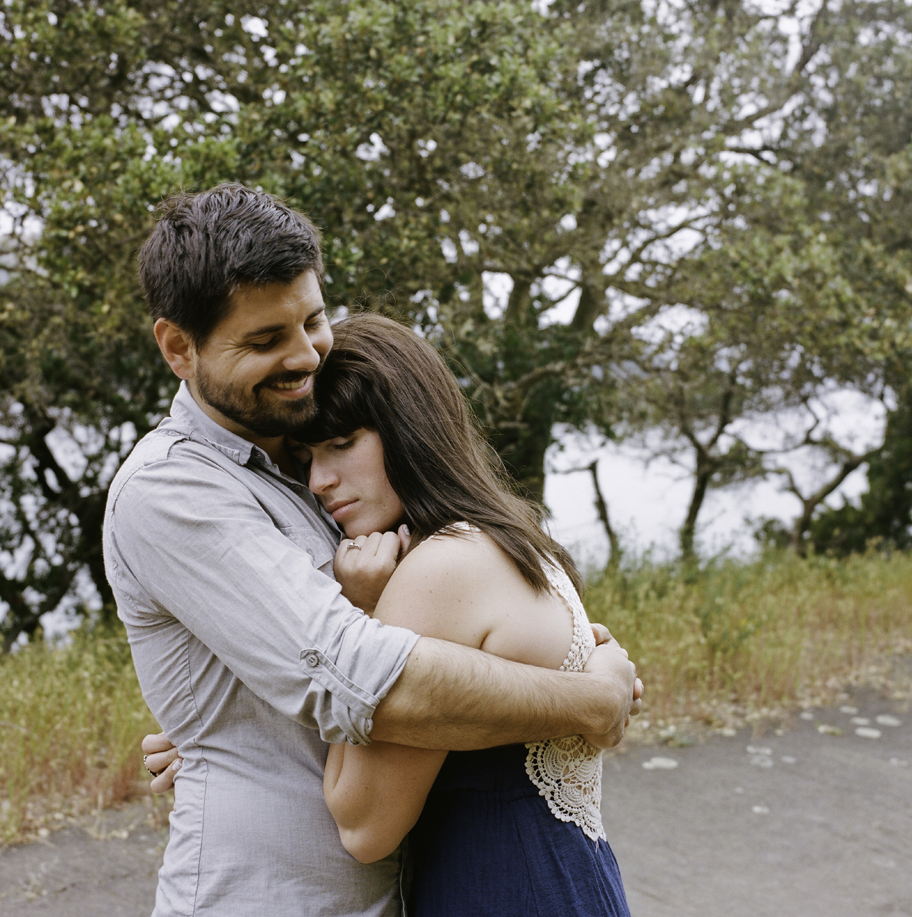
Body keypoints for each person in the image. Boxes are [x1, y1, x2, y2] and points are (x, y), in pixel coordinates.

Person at [105, 183, 639, 917]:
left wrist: (231, 730)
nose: (304, 356)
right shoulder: (172, 491)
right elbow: (357, 675)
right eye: (265, 341)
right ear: (177, 347)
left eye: (314, 320)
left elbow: (386, 636)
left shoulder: (306, 473)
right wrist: (586, 697)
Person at [295, 312, 632, 915]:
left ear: (409, 430)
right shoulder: (510, 537)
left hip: (504, 890)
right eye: (309, 455)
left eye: (342, 444)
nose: (320, 480)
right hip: (568, 883)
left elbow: (363, 827)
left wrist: (363, 613)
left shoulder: (439, 570)